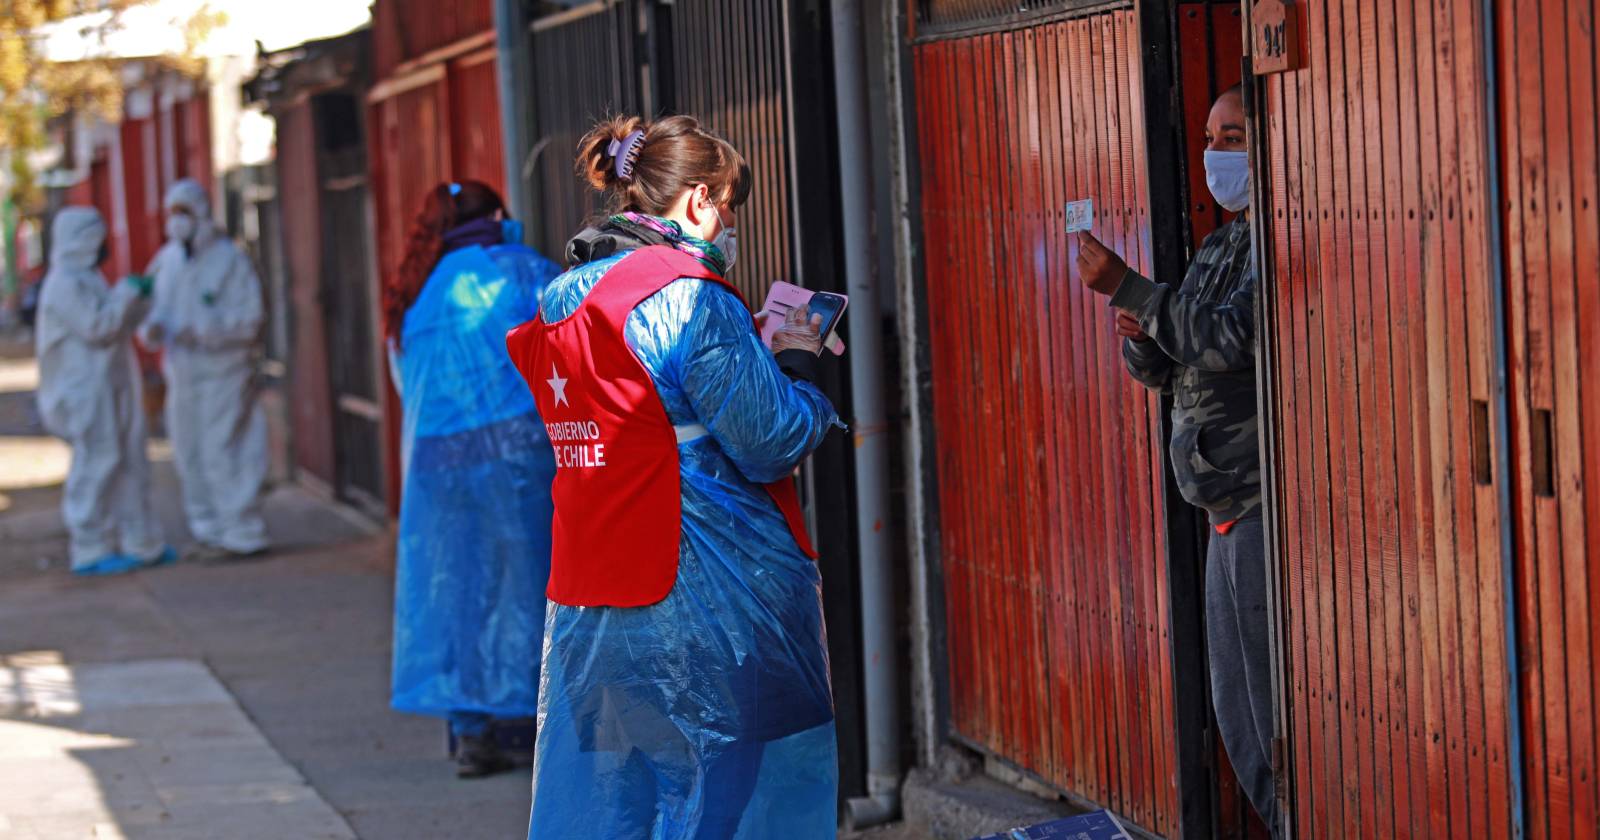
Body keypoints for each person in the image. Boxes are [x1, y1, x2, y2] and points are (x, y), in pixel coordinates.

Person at [505, 114, 840, 839]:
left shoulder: (563, 298)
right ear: (696, 200)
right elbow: (770, 440)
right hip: (704, 606)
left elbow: (640, 413)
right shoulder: (692, 297)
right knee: (714, 802)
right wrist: (795, 359)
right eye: (725, 204)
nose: (727, 223)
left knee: (628, 802)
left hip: (594, 601)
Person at [1075, 84, 1275, 833]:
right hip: (1220, 507)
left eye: (1233, 137)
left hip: (1259, 504)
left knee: (1269, 707)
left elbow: (1232, 340)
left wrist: (1133, 287)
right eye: (1210, 137)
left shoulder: (1274, 239)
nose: (1216, 153)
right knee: (1236, 709)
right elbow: (1172, 364)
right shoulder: (1224, 242)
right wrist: (1138, 328)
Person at [384, 179, 560, 778]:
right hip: (517, 454)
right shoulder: (521, 269)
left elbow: (408, 384)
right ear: (498, 216)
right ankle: (540, 722)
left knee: (459, 590)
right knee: (535, 582)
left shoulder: (415, 289)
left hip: (438, 464)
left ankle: (473, 733)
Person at [35, 207, 173, 576]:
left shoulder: (87, 278)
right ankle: (89, 546)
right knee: (98, 461)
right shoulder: (63, 284)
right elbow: (97, 326)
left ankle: (141, 541)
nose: (103, 248)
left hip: (110, 385)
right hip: (84, 392)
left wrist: (139, 300)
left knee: (128, 460)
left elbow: (116, 322)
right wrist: (127, 294)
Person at [139, 179, 269, 558]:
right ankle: (209, 530)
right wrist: (150, 331)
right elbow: (149, 309)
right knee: (188, 451)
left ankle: (242, 531)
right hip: (182, 374)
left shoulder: (231, 260)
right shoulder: (167, 262)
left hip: (224, 373)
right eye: (172, 213)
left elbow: (250, 319)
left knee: (223, 450)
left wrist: (204, 333)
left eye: (184, 213)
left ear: (201, 214)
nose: (177, 221)